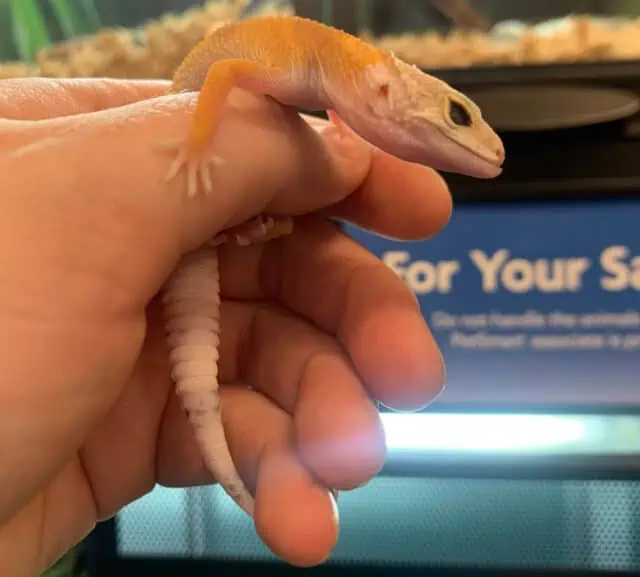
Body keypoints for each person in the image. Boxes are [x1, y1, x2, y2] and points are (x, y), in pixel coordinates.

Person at [0, 77, 452, 575]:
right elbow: (229, 77)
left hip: (203, 212)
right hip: (196, 190)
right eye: (456, 115)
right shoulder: (327, 75)